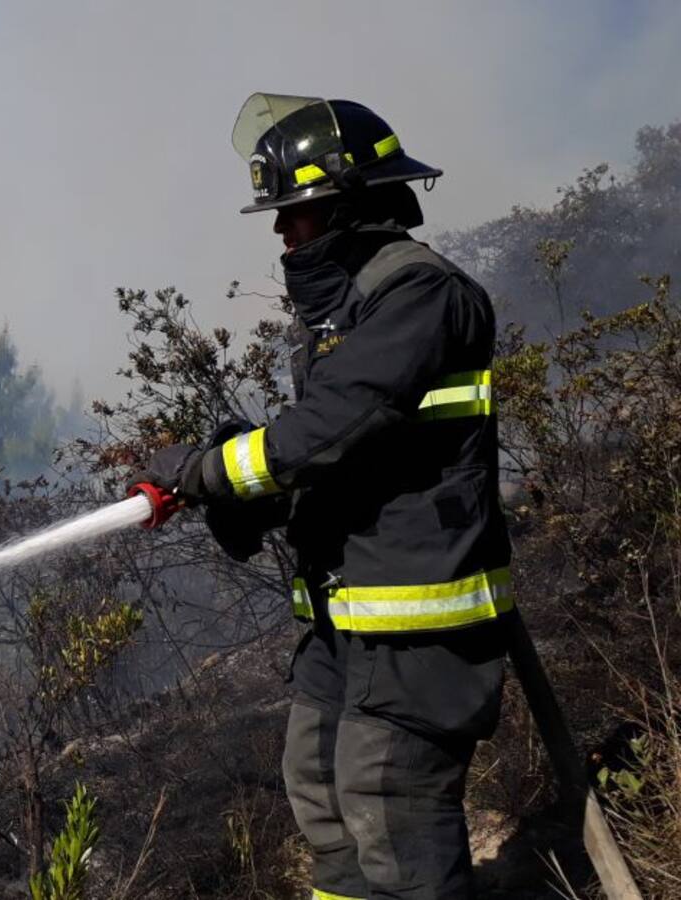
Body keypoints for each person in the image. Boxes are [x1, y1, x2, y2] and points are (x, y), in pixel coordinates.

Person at [132, 94, 513, 899]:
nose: (281, 234)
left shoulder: (421, 296)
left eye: (294, 215)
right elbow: (342, 454)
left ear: (347, 207)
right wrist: (246, 497)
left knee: (389, 805)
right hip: (348, 623)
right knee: (320, 793)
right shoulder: (350, 316)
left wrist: (206, 471)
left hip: (420, 627)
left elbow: (324, 433)